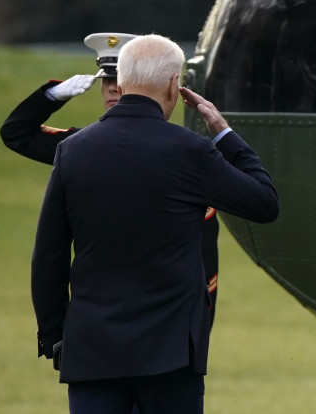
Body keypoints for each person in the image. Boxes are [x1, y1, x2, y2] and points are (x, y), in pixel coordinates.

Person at [30, 34, 279, 413]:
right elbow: (264, 203)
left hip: (91, 350)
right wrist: (223, 133)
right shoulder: (191, 151)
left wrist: (55, 337)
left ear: (123, 82)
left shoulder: (73, 151)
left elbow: (48, 256)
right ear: (173, 84)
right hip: (170, 354)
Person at [0, 33, 222, 326]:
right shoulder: (78, 149)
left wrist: (199, 327)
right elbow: (16, 134)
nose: (114, 89)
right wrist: (52, 96)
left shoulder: (190, 155)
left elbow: (205, 259)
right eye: (107, 81)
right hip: (100, 315)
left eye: (123, 80)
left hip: (165, 318)